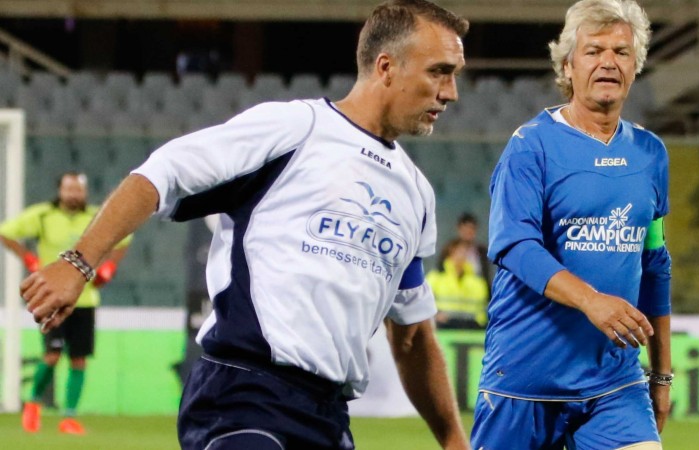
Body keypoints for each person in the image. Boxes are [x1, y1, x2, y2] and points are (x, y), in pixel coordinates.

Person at [20, 1, 471, 449]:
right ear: (386, 66)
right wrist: (78, 262)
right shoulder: (296, 128)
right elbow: (162, 173)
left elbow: (411, 334)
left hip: (328, 417)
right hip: (244, 393)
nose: (450, 92)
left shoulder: (416, 194)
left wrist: (452, 438)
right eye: (439, 71)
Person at [471, 1, 672, 449]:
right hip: (524, 380)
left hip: (614, 383)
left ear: (634, 67)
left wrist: (661, 372)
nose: (608, 62)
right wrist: (592, 301)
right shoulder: (530, 147)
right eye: (593, 50)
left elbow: (655, 262)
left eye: (621, 52)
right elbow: (515, 246)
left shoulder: (650, 154)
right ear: (567, 64)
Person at [0, 171, 131, 435]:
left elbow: (124, 238)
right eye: (69, 189)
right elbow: (6, 232)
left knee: (79, 359)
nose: (74, 194)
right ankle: (34, 403)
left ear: (84, 192)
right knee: (52, 354)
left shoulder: (96, 216)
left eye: (78, 190)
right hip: (53, 297)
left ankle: (69, 417)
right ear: (60, 190)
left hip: (86, 299)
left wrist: (109, 267)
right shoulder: (43, 216)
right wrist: (28, 259)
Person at [427, 238, 489, 329]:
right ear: (449, 254)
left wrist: (479, 321)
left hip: (472, 328)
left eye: (464, 252)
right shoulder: (435, 278)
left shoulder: (478, 282)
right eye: (457, 252)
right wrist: (436, 316)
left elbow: (482, 308)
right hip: (442, 327)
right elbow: (424, 303)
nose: (461, 256)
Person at [438, 212, 492, 295]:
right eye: (465, 228)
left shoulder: (482, 252)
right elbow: (440, 273)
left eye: (471, 228)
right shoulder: (448, 249)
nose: (468, 232)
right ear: (459, 229)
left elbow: (486, 276)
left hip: (476, 296)